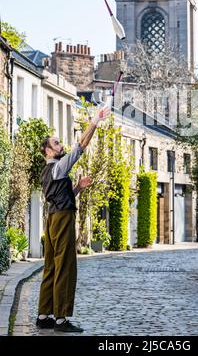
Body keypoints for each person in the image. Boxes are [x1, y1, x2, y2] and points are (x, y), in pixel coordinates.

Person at [36, 105, 111, 333]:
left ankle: (44, 315)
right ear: (48, 152)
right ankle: (60, 319)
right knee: (65, 266)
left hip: (52, 219)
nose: (61, 145)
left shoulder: (47, 172)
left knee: (50, 266)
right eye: (56, 143)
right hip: (62, 219)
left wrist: (77, 188)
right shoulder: (58, 167)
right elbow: (82, 146)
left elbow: (60, 196)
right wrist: (95, 121)